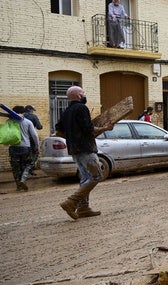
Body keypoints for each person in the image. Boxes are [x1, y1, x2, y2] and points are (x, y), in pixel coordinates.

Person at [56, 86, 113, 219]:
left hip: (74, 150)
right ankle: (71, 202)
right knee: (97, 176)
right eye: (83, 93)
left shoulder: (66, 111)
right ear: (79, 96)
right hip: (86, 148)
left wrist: (72, 138)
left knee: (85, 178)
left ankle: (83, 208)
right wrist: (106, 127)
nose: (84, 95)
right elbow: (89, 129)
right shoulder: (81, 108)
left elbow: (58, 129)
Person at [8, 106, 39, 192]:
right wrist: (37, 146)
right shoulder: (27, 122)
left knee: (16, 168)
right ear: (24, 113)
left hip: (13, 147)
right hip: (25, 147)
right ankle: (23, 179)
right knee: (29, 164)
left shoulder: (10, 121)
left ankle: (18, 186)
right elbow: (34, 135)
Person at [24, 105, 42, 175]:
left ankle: (24, 170)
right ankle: (29, 169)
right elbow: (39, 127)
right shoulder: (33, 117)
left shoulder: (21, 117)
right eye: (32, 110)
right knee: (35, 153)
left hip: (21, 139)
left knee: (25, 155)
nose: (32, 112)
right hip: (31, 138)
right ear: (29, 110)